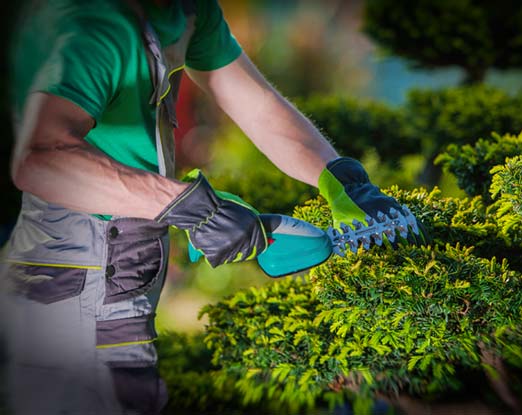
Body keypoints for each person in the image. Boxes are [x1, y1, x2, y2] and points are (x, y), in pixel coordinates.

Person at [1, 0, 428, 413]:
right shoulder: (96, 26)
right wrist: (193, 209)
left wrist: (339, 177)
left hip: (128, 256)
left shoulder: (188, 9)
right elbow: (41, 158)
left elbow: (255, 104)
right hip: (75, 269)